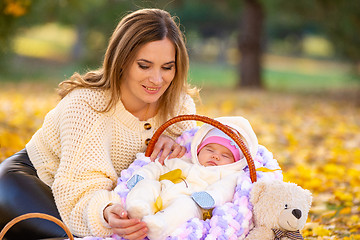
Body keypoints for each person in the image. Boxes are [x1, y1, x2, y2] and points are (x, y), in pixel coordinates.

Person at [0, 8, 198, 240]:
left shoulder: (180, 106)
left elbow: (193, 173)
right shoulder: (87, 106)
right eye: (144, 66)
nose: (157, 79)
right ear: (122, 61)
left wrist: (180, 145)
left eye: (167, 67)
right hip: (32, 181)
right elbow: (79, 186)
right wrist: (105, 212)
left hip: (106, 198)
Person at [125, 116, 259, 240]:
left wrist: (211, 196)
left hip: (193, 202)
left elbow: (225, 189)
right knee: (148, 185)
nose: (215, 156)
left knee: (185, 205)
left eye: (225, 156)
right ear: (198, 150)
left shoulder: (229, 174)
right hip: (162, 193)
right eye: (210, 150)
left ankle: (160, 226)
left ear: (235, 162)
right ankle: (138, 208)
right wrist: (142, 175)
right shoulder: (183, 161)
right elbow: (159, 166)